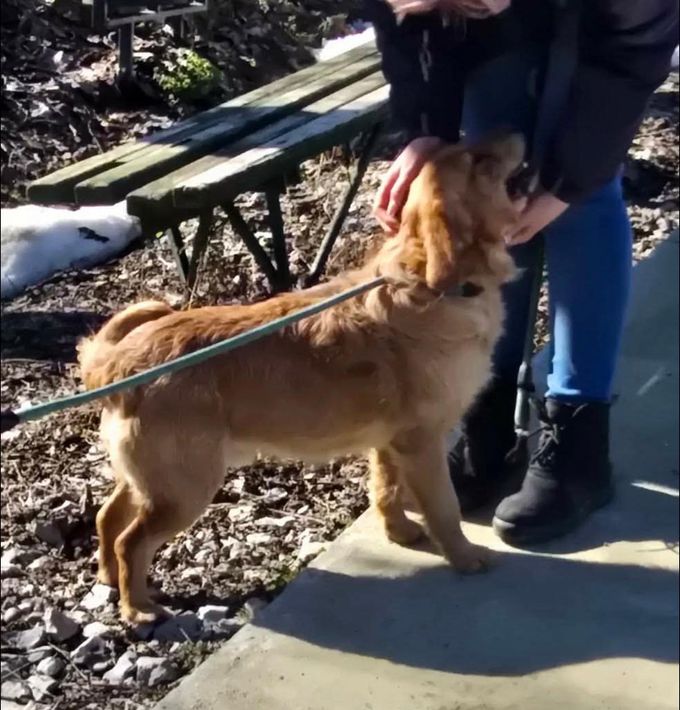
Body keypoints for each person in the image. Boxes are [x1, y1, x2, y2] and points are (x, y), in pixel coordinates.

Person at [363, 0, 678, 545]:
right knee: (496, 176)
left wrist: (567, 183)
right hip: (510, 38)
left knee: (581, 199)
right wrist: (426, 130)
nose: (471, 9)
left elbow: (628, 58)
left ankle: (578, 444)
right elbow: (410, 35)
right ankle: (486, 422)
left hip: (606, 32)